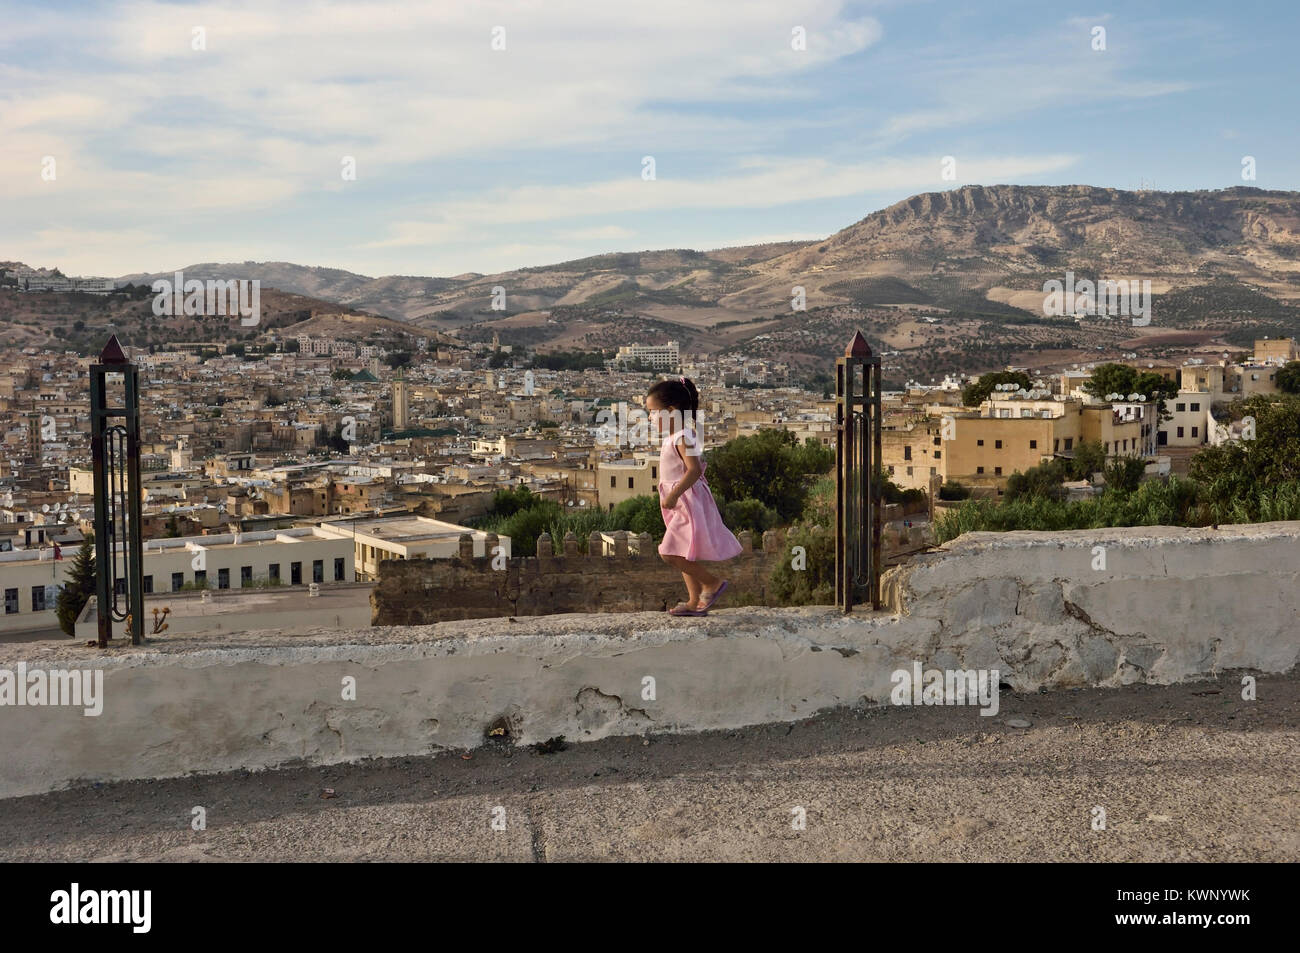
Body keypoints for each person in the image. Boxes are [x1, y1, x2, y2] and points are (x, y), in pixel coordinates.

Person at [645, 377, 741, 616]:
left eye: (653, 412)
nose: (649, 418)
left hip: (685, 501)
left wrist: (675, 494)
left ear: (671, 411)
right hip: (678, 501)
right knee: (680, 551)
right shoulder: (675, 436)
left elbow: (694, 469)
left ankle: (712, 583)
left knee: (668, 552)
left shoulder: (683, 437)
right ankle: (693, 601)